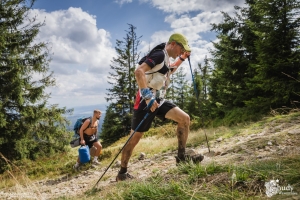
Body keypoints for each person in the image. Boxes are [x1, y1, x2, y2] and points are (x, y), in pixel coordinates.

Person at [116, 33, 204, 181]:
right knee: (134, 138)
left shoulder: (166, 57)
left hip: (158, 99)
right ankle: (122, 173)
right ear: (174, 44)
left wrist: (182, 59)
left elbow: (168, 71)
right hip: (145, 101)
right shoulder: (158, 54)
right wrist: (147, 96)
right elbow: (139, 72)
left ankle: (181, 158)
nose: (181, 53)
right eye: (181, 50)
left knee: (184, 119)